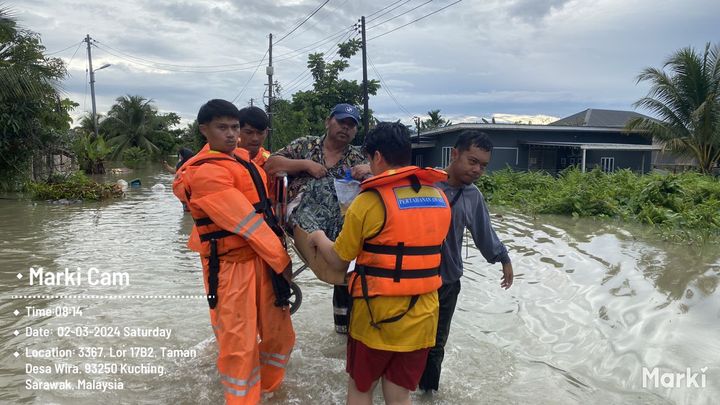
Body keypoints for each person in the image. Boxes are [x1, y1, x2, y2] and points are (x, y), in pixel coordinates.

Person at [308, 122, 451, 405]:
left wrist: (318, 236)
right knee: (399, 395)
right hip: (423, 316)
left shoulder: (369, 201)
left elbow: (338, 260)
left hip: (375, 317)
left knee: (361, 389)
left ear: (377, 157)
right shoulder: (439, 196)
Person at [172, 99, 294, 404]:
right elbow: (247, 223)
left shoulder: (245, 161)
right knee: (239, 345)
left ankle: (269, 390)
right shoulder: (206, 173)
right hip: (230, 266)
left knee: (280, 336)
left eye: (234, 127)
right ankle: (242, 399)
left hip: (261, 261)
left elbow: (265, 210)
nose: (231, 134)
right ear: (204, 130)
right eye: (222, 127)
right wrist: (282, 261)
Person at [418, 129, 514, 393]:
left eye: (483, 165)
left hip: (447, 282)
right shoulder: (424, 183)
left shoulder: (473, 196)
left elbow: (485, 234)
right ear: (454, 154)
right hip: (415, 279)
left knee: (436, 346)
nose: (477, 170)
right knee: (405, 341)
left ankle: (428, 395)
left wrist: (503, 258)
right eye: (472, 161)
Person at [265, 103, 371, 334]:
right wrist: (305, 165)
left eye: (351, 125)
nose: (345, 128)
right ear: (328, 121)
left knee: (356, 240)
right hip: (303, 211)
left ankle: (344, 327)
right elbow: (270, 164)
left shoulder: (358, 156)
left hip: (340, 217)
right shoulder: (305, 145)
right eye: (341, 122)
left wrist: (368, 172)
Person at [197, 105, 271, 168]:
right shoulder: (209, 158)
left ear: (266, 132)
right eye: (249, 132)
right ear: (237, 130)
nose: (255, 138)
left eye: (260, 133)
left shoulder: (270, 161)